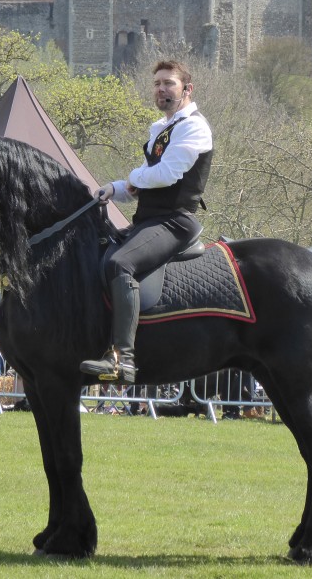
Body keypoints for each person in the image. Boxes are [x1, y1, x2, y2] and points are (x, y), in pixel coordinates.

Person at [80, 60, 213, 384]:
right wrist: (114, 188)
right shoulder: (161, 129)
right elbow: (145, 181)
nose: (161, 89)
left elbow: (167, 174)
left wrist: (134, 179)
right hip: (149, 219)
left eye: (169, 83)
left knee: (120, 265)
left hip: (175, 222)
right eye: (157, 84)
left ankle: (122, 360)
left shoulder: (193, 127)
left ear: (187, 89)